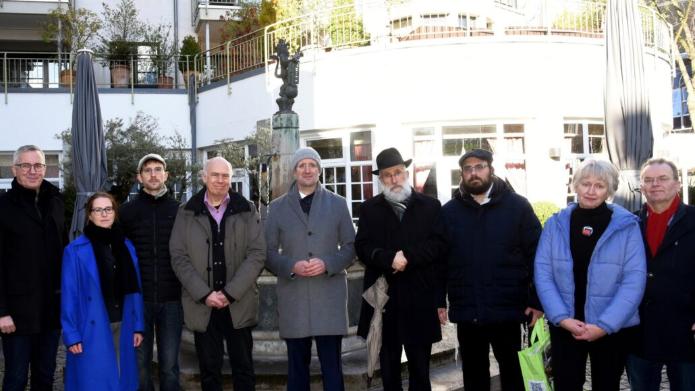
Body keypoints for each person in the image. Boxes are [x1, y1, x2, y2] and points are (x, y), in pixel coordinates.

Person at [535, 158, 646, 391]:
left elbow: (634, 280)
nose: (592, 191)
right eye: (586, 183)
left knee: (607, 385)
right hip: (566, 325)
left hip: (611, 328)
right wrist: (561, 318)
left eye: (600, 185)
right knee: (566, 385)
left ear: (610, 189)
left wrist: (605, 325)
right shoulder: (555, 224)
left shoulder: (628, 226)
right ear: (575, 185)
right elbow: (543, 274)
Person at [439, 149, 542, 391]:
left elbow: (538, 256)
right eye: (468, 169)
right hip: (468, 311)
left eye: (480, 166)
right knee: (474, 377)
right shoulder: (449, 212)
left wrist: (537, 300)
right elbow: (440, 261)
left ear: (491, 169)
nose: (474, 173)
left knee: (513, 374)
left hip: (508, 310)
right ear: (462, 174)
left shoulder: (518, 207)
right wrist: (438, 300)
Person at [169, 156, 265, 391]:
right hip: (203, 305)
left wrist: (230, 292)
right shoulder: (186, 212)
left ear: (231, 179)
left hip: (238, 303)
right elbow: (178, 257)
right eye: (215, 175)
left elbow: (257, 254)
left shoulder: (247, 209)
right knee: (209, 371)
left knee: (244, 368)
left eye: (225, 176)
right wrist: (204, 294)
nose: (220, 180)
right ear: (204, 177)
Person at [355, 147, 447, 391]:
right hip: (385, 304)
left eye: (398, 173)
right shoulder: (369, 209)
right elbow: (362, 247)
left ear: (406, 173)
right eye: (387, 175)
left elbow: (438, 247)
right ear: (380, 179)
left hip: (420, 299)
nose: (394, 179)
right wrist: (388, 260)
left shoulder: (430, 206)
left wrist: (407, 258)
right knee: (389, 371)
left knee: (420, 370)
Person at [265, 147, 356, 391]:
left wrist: (328, 263)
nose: (307, 169)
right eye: (301, 165)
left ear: (319, 170)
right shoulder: (276, 208)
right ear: (294, 172)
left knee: (332, 369)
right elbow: (268, 253)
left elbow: (351, 247)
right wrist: (290, 266)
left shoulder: (337, 204)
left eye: (312, 165)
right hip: (294, 297)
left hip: (329, 296)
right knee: (296, 370)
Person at [61, 192, 145, 390]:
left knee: (122, 378)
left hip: (123, 322)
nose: (104, 214)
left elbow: (136, 290)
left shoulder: (127, 246)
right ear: (90, 215)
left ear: (115, 212)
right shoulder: (74, 250)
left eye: (108, 209)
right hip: (91, 326)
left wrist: (138, 325)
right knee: (94, 381)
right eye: (98, 210)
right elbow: (69, 296)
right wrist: (71, 334)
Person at [626, 157, 695, 390]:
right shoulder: (629, 224)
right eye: (648, 180)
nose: (655, 184)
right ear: (642, 187)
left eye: (663, 178)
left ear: (677, 184)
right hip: (640, 329)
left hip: (686, 328)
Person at [0, 145, 65, 391]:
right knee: (15, 378)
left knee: (45, 377)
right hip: (16, 314)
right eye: (25, 165)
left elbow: (63, 252)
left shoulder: (56, 202)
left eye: (37, 165)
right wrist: (2, 311)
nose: (32, 171)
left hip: (50, 310)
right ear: (14, 169)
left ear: (45, 168)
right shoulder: (3, 206)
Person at [119, 153, 182, 391]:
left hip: (172, 299)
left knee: (169, 365)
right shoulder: (126, 212)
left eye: (158, 169)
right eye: (148, 170)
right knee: (140, 364)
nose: (153, 174)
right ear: (139, 177)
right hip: (138, 300)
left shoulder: (180, 211)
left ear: (166, 175)